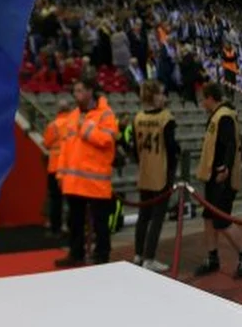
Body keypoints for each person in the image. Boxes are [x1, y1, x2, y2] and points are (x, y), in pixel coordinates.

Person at [55, 76, 118, 267]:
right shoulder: (73, 115)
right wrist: (60, 173)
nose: (77, 95)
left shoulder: (105, 114)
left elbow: (107, 140)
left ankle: (102, 255)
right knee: (75, 221)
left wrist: (86, 128)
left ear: (90, 91)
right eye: (75, 91)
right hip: (74, 180)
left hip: (96, 180)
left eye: (80, 91)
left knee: (100, 223)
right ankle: (76, 253)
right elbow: (65, 147)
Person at [193, 82, 242, 278]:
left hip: (222, 177)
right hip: (213, 176)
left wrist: (225, 167)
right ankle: (212, 258)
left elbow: (231, 144)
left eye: (203, 99)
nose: (202, 103)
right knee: (209, 217)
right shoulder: (218, 116)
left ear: (211, 98)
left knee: (222, 219)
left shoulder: (224, 116)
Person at [131, 80, 178, 272]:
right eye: (160, 94)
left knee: (144, 215)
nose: (163, 97)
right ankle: (149, 258)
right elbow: (171, 147)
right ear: (153, 96)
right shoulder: (166, 118)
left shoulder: (138, 117)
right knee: (157, 217)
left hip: (144, 171)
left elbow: (135, 149)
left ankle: (138, 254)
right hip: (161, 172)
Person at [42, 97, 72, 239]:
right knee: (73, 200)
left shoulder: (53, 125)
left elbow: (46, 143)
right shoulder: (74, 124)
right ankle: (72, 228)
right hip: (71, 167)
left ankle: (56, 229)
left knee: (55, 200)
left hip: (55, 167)